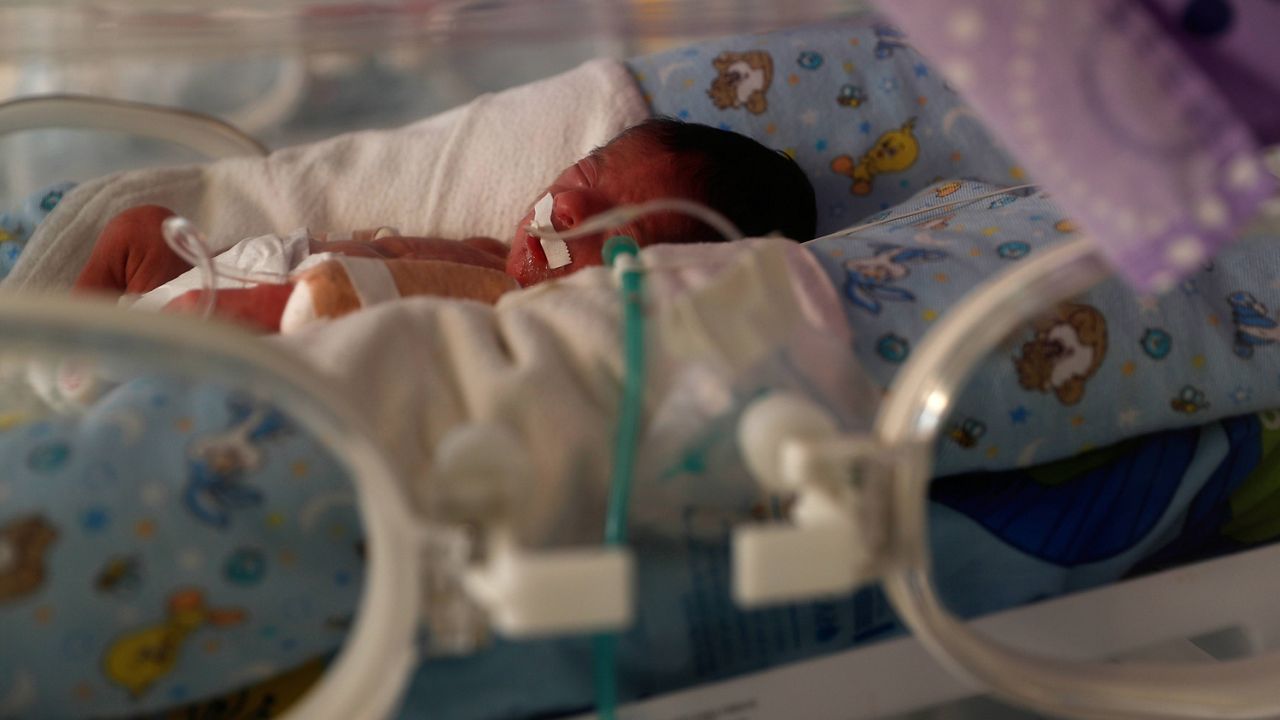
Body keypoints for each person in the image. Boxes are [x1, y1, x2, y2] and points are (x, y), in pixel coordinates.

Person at [73, 118, 817, 331]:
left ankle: (84, 367)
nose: (567, 210)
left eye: (619, 232)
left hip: (279, 310)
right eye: (586, 179)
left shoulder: (517, 316)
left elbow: (366, 318)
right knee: (141, 227)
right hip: (219, 272)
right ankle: (47, 353)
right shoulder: (490, 253)